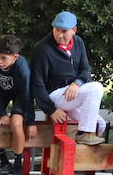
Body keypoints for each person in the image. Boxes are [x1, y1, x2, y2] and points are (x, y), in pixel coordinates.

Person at [29, 11, 107, 146]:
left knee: (100, 124)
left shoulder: (78, 42)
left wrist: (77, 83)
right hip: (55, 95)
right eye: (56, 30)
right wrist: (51, 110)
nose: (59, 34)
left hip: (73, 93)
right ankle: (85, 134)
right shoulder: (42, 48)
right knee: (96, 88)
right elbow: (37, 83)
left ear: (74, 30)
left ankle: (83, 155)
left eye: (64, 31)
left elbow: (85, 70)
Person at [0, 35, 34, 175]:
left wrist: (31, 122)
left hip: (20, 95)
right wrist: (1, 114)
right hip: (0, 93)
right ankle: (4, 162)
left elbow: (27, 95)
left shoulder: (23, 69)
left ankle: (17, 163)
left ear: (15, 57)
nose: (0, 61)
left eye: (4, 58)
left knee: (16, 123)